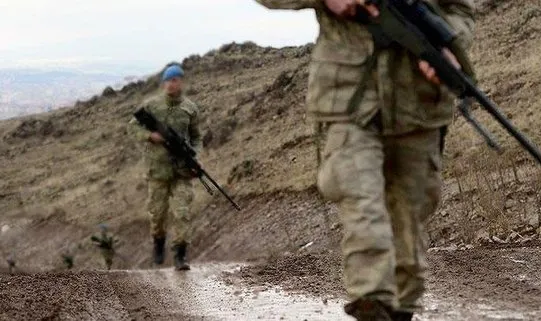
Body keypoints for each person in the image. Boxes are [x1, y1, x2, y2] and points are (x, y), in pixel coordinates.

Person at [254, 0, 475, 320]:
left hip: (419, 102)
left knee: (409, 218)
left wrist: (448, 46)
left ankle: (399, 309)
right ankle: (371, 300)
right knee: (361, 195)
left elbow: (461, 9)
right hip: (349, 102)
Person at [127, 63, 202, 271]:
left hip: (181, 172)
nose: (171, 84)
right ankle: (158, 243)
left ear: (181, 82)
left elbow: (196, 138)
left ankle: (180, 255)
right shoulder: (152, 106)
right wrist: (150, 136)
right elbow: (132, 126)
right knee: (157, 214)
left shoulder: (190, 108)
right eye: (168, 80)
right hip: (157, 171)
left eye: (175, 80)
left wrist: (196, 159)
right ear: (163, 83)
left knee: (182, 212)